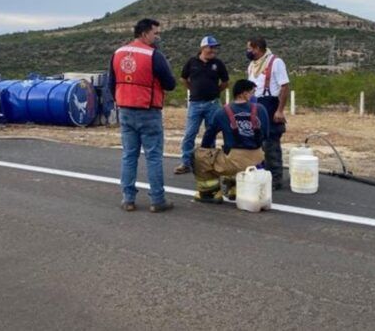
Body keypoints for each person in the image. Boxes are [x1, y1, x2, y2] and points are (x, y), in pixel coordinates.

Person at [109, 18, 177, 213]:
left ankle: (128, 199)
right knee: (153, 157)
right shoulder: (154, 55)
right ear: (145, 33)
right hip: (148, 110)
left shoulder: (118, 53)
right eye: (155, 33)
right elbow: (170, 84)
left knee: (129, 156)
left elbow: (111, 84)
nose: (158, 36)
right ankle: (157, 200)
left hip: (125, 110)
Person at [192, 79, 270, 204]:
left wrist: (206, 152)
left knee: (200, 155)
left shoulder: (222, 112)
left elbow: (208, 137)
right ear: (243, 94)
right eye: (252, 92)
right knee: (227, 153)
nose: (254, 96)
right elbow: (265, 135)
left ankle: (209, 193)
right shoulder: (261, 109)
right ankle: (236, 187)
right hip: (258, 161)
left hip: (234, 160)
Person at [175, 35, 230, 175]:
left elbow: (225, 82)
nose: (213, 50)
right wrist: (192, 89)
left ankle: (208, 163)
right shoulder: (191, 62)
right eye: (211, 47)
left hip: (213, 104)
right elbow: (183, 78)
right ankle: (186, 162)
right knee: (189, 133)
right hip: (195, 104)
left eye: (215, 48)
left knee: (210, 134)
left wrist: (216, 91)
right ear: (203, 48)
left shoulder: (218, 63)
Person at [246, 37, 289, 190]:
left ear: (257, 48)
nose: (248, 52)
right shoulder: (252, 65)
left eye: (249, 49)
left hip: (270, 105)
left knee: (271, 144)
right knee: (257, 143)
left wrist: (280, 110)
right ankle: (261, 175)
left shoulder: (275, 62)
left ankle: (275, 179)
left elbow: (284, 86)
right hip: (255, 105)